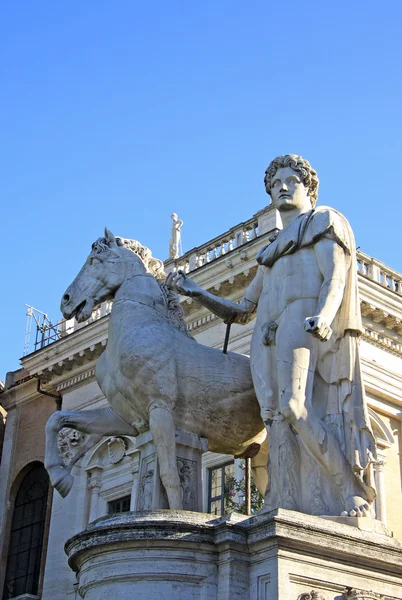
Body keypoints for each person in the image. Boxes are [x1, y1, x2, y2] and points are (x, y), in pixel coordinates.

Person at [167, 154, 376, 517]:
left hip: (302, 318)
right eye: (274, 183)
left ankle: (348, 488)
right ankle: (284, 498)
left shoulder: (323, 222)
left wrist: (325, 316)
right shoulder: (271, 253)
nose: (281, 187)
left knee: (296, 406)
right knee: (275, 416)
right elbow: (243, 309)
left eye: (290, 181)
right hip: (267, 332)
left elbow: (336, 277)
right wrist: (196, 292)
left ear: (308, 186)